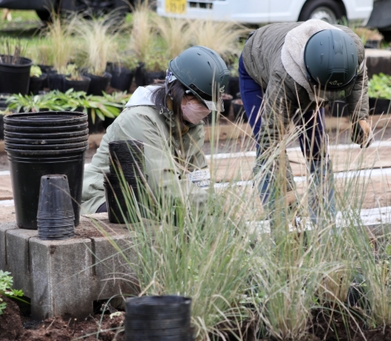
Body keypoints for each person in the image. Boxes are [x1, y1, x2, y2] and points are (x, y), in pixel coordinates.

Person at [239, 20, 371, 222]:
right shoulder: (285, 76)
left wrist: (359, 117)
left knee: (316, 146)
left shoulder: (351, 49)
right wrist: (285, 188)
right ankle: (282, 224)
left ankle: (324, 220)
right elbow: (270, 139)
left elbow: (359, 80)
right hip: (257, 64)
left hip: (306, 75)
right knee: (267, 147)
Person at [81, 46, 229, 215]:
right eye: (204, 103)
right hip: (104, 199)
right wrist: (215, 209)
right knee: (152, 217)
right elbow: (164, 188)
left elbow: (199, 180)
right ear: (180, 92)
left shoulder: (192, 125)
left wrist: (215, 212)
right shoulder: (140, 119)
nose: (207, 111)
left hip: (144, 197)